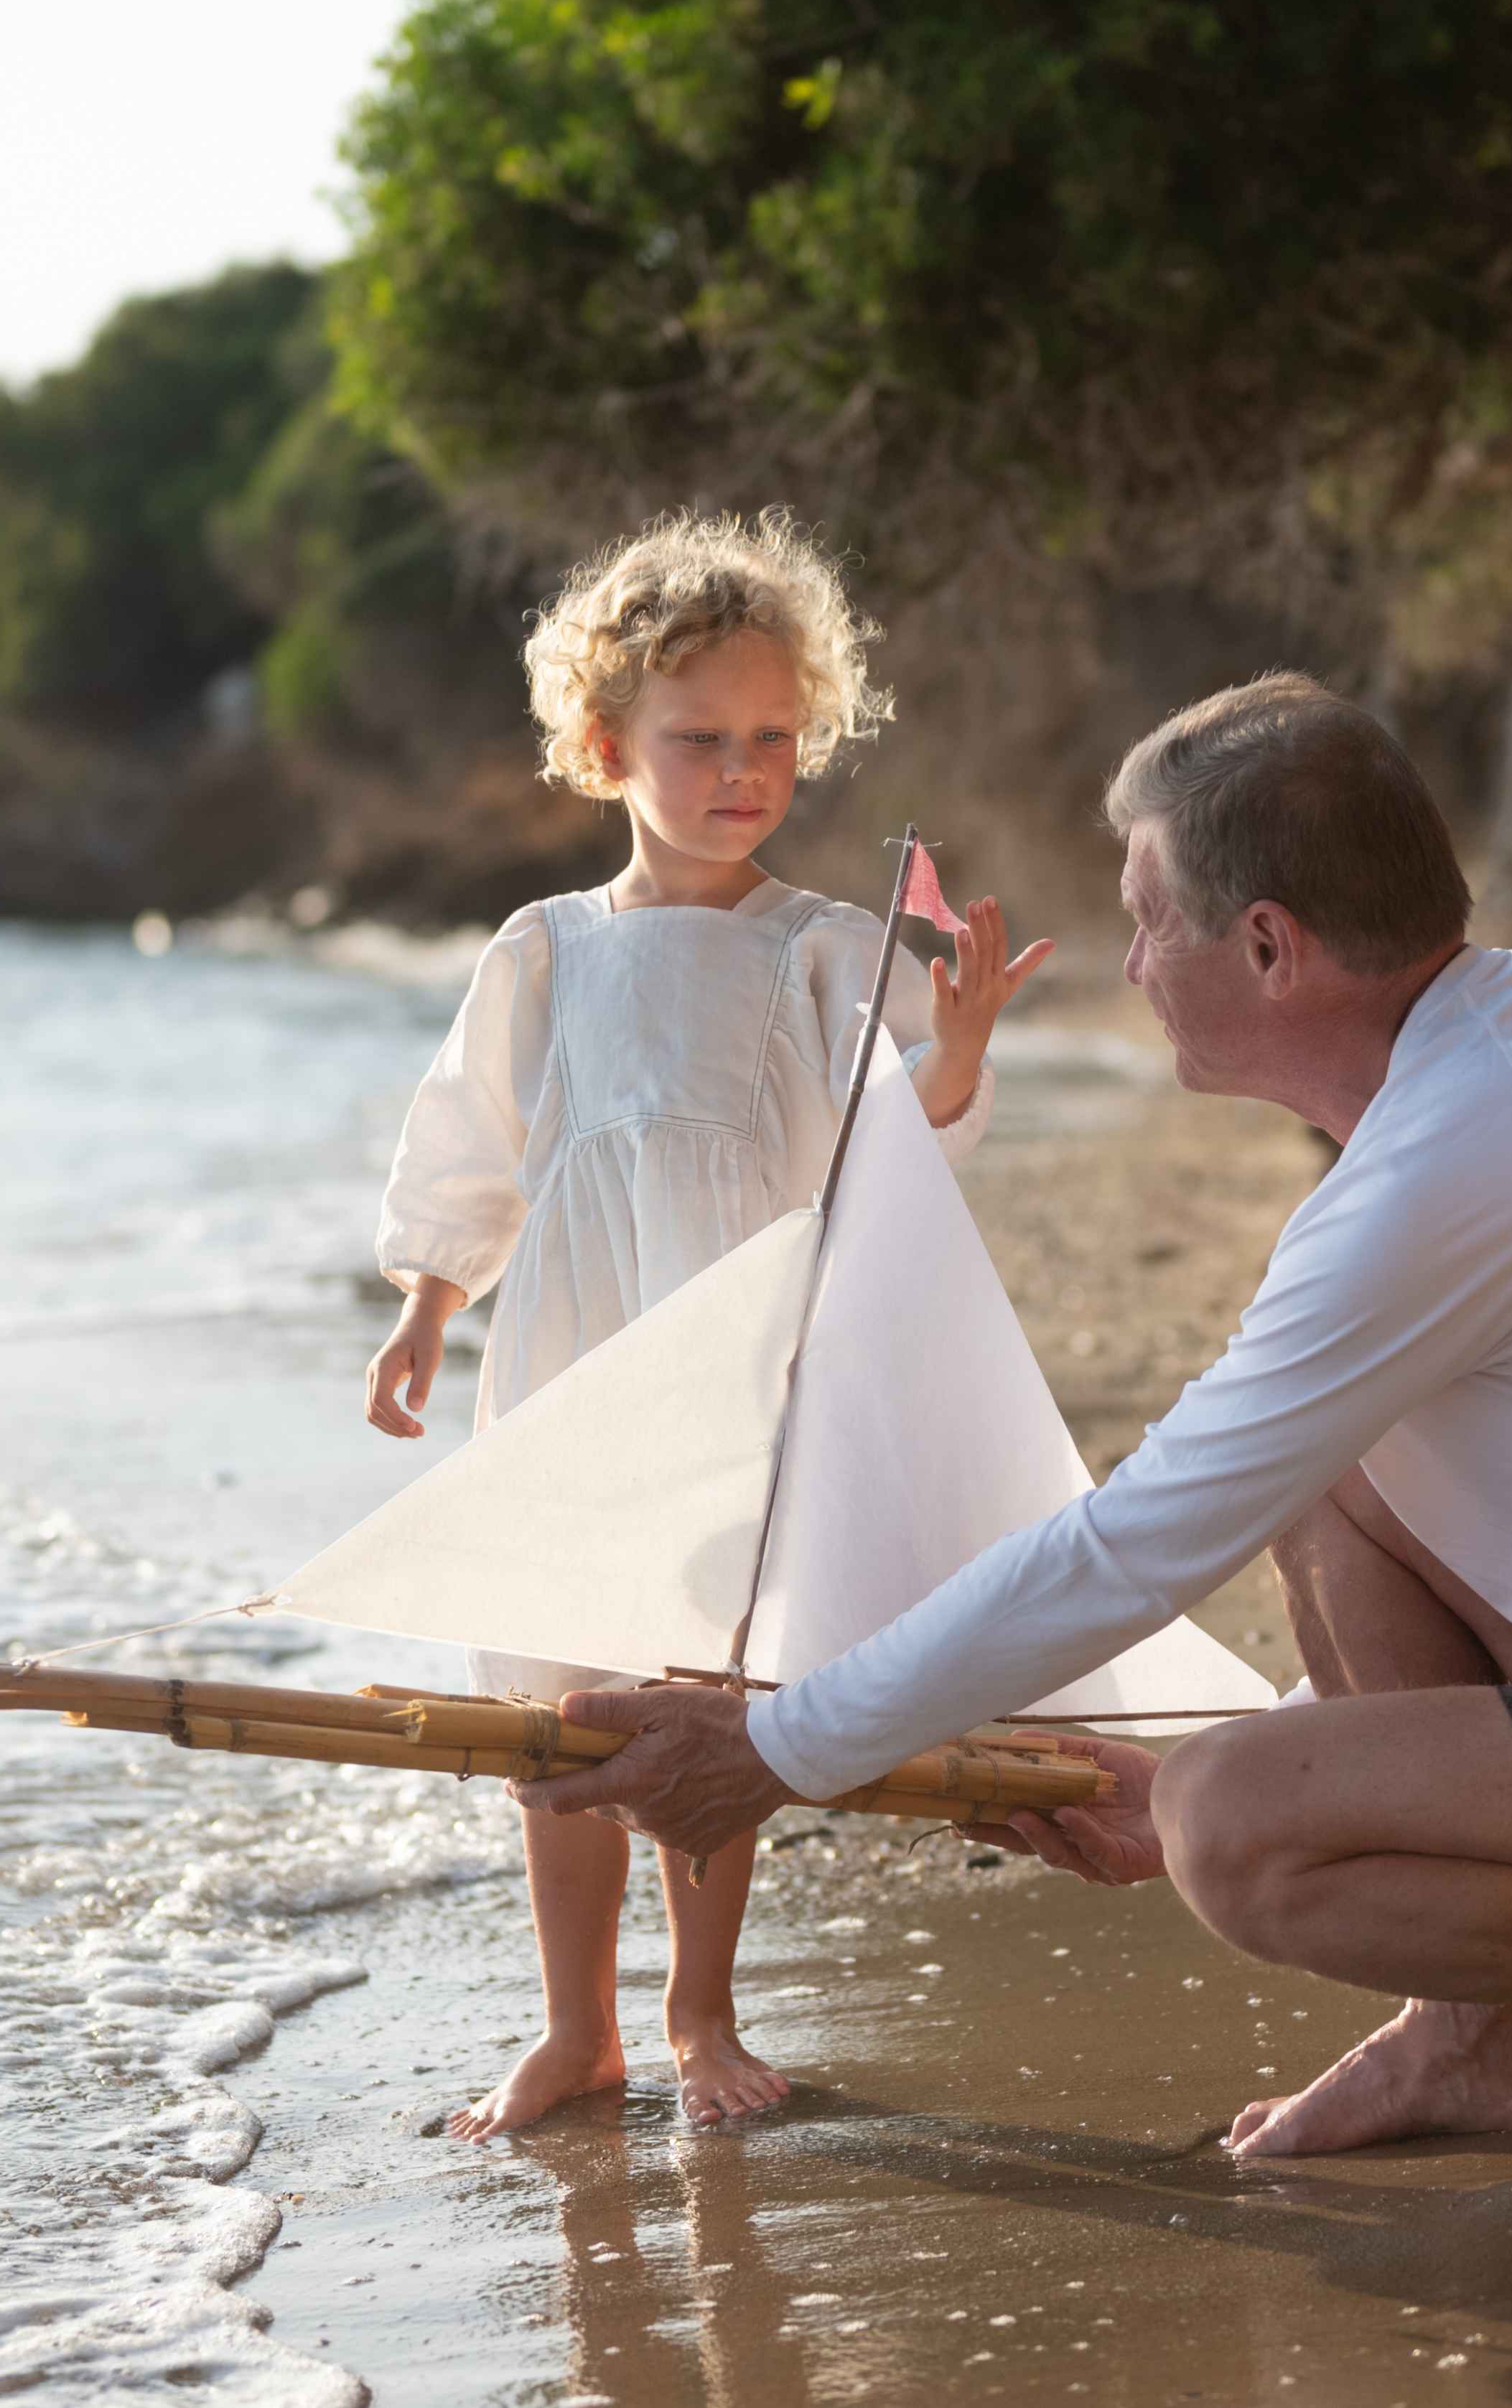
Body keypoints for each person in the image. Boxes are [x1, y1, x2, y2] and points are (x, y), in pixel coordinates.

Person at [508, 673, 1512, 2182]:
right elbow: (1287, 1507)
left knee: (1243, 1834)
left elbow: (1144, 1539)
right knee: (1327, 1496)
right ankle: (1481, 2035)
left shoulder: (1453, 1157)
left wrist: (784, 1741)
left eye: (1145, 917)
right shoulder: (1506, 1062)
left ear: (1267, 946)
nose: (1126, 963)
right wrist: (1153, 1760)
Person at [361, 508, 1051, 2139]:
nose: (743, 768)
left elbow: (901, 1133)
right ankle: (573, 2025)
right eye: (700, 738)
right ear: (606, 747)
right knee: (553, 1691)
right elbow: (471, 1137)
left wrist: (951, 1052)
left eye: (772, 739)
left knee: (695, 1691)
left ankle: (701, 2007)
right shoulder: (543, 946)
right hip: (568, 1356)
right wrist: (425, 1302)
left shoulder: (818, 944)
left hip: (733, 1357)